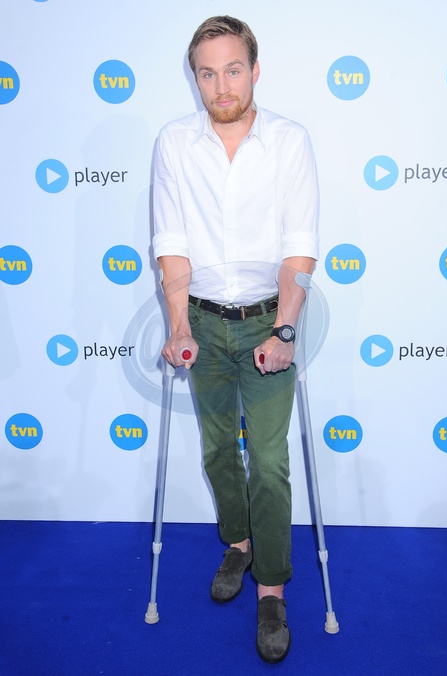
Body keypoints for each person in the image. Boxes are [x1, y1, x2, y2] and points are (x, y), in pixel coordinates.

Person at [152, 15, 319, 664]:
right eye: (207, 73)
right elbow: (171, 242)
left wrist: (284, 330)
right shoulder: (174, 142)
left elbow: (299, 248)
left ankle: (271, 588)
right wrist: (178, 325)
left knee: (268, 462)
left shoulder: (289, 141)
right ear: (194, 78)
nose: (221, 86)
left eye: (232, 69)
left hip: (266, 321)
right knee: (219, 450)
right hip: (201, 320)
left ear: (254, 70)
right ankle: (239, 544)